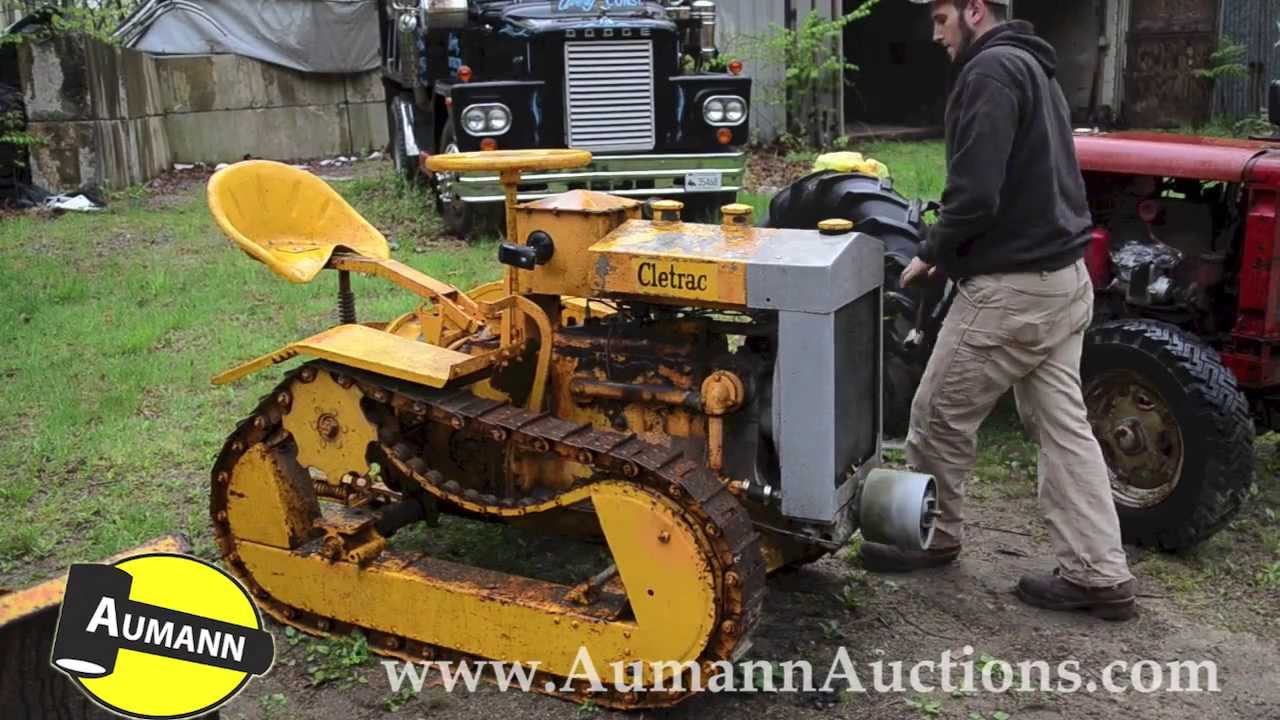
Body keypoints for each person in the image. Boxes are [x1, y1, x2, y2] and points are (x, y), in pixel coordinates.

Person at [859, 0, 1136, 621]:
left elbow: (976, 192)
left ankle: (935, 535)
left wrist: (932, 252)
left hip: (1014, 291)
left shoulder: (988, 74)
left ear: (975, 11)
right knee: (1064, 430)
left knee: (935, 415)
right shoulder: (1036, 68)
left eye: (940, 19)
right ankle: (1099, 573)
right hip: (1064, 279)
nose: (935, 35)